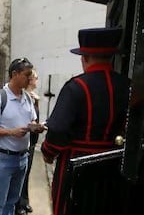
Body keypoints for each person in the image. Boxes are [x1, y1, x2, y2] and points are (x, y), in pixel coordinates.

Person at [40, 27, 130, 215]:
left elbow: (58, 129)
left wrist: (48, 152)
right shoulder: (127, 86)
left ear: (85, 58)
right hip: (114, 163)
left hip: (78, 164)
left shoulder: (76, 87)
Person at [0, 58, 46, 215]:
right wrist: (12, 132)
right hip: (4, 158)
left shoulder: (27, 98)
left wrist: (35, 127)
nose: (30, 78)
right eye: (27, 75)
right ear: (14, 74)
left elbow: (31, 119)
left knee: (12, 202)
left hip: (22, 159)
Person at [15, 69, 40, 215]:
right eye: (35, 78)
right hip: (25, 138)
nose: (37, 81)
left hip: (32, 138)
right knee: (22, 174)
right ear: (30, 80)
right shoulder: (25, 97)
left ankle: (25, 200)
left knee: (27, 172)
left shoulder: (34, 97)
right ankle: (19, 203)